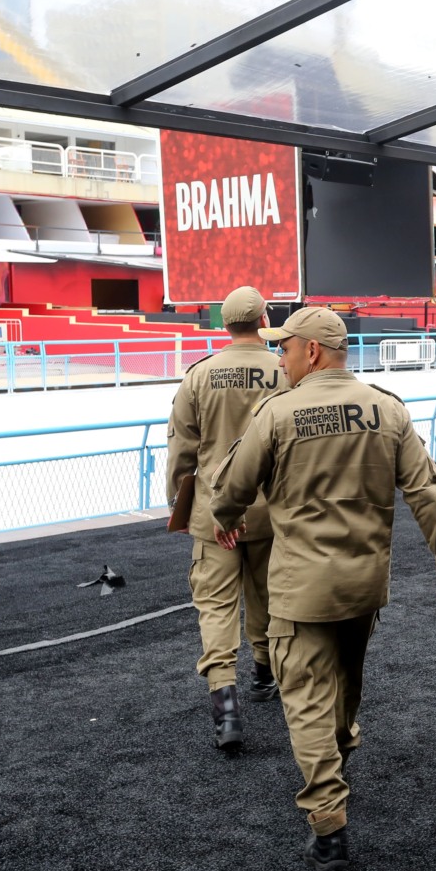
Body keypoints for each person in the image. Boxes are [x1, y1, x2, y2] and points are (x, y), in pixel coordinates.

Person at [210, 306, 436, 871]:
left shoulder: (278, 413)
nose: (278, 359)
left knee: (304, 698)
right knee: (343, 694)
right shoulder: (387, 407)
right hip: (363, 588)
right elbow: (424, 491)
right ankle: (334, 765)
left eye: (285, 349)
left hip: (301, 588)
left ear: (311, 351)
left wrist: (227, 517)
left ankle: (328, 826)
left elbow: (231, 488)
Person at [165, 286, 288, 752]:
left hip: (213, 515)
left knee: (215, 607)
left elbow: (182, 450)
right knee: (267, 595)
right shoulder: (284, 370)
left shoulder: (198, 376)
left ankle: (226, 706)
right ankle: (263, 676)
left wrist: (183, 501)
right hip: (270, 509)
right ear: (263, 319)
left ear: (224, 325)